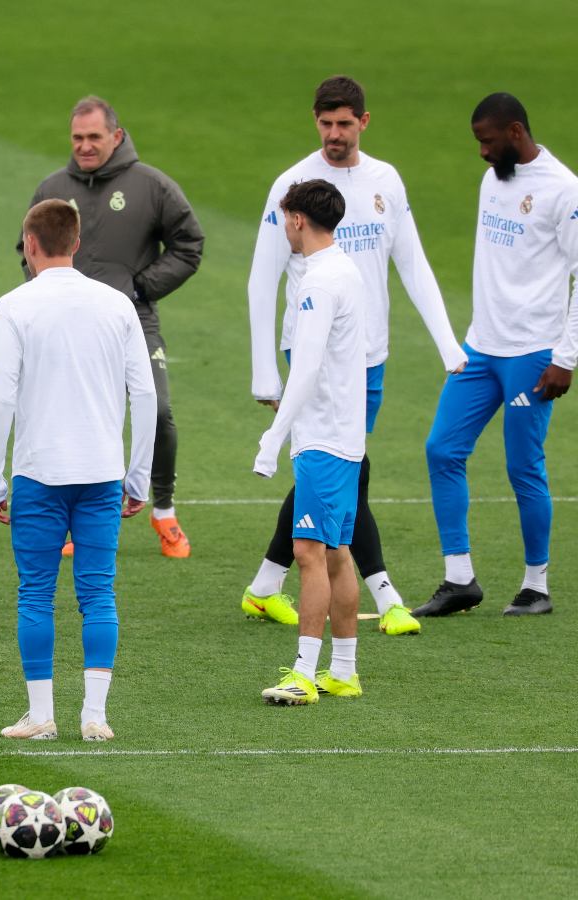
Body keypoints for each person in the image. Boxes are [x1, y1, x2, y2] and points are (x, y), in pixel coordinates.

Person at [244, 76, 468, 636]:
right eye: (325, 123)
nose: (334, 134)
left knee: (339, 468)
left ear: (363, 122)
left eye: (344, 124)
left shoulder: (385, 181)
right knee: (349, 468)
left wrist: (448, 343)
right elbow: (261, 278)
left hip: (370, 355)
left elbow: (413, 264)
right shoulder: (292, 184)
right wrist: (264, 371)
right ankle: (385, 594)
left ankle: (265, 585)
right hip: (312, 353)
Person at [0, 199, 156, 740]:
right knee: (98, 593)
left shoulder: (14, 305)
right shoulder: (117, 304)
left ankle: (41, 716)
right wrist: (139, 476)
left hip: (39, 473)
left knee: (36, 592)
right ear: (77, 243)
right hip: (102, 472)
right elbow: (145, 394)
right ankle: (95, 717)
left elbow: (0, 398)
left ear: (30, 244)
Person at [416, 93, 578, 618]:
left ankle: (536, 586)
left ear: (515, 132)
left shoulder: (564, 190)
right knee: (442, 449)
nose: (482, 152)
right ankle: (459, 578)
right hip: (481, 347)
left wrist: (566, 358)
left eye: (487, 141)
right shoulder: (493, 180)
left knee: (522, 466)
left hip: (533, 353)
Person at [21, 95, 203, 558]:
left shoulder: (152, 186)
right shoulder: (53, 188)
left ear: (116, 136)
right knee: (67, 415)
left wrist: (141, 288)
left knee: (157, 410)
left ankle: (164, 511)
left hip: (133, 320)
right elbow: (28, 250)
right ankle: (73, 521)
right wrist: (48, 295)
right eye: (77, 137)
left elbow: (189, 244)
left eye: (94, 137)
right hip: (66, 326)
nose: (84, 146)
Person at [254, 180, 367, 705]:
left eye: (284, 219)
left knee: (308, 552)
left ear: (298, 219)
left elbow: (306, 367)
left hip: (322, 437)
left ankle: (303, 673)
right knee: (338, 552)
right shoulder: (346, 269)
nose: (284, 229)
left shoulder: (317, 282)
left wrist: (273, 437)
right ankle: (342, 671)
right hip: (345, 434)